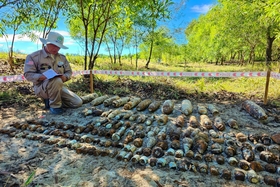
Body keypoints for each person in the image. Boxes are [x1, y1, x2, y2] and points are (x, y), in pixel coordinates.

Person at [24, 31, 83, 114]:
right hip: (41, 88)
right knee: (56, 81)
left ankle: (52, 100)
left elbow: (69, 72)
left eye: (59, 46)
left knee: (77, 102)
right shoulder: (33, 57)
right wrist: (43, 76)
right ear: (47, 43)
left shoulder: (62, 58)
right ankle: (55, 107)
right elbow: (28, 74)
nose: (56, 48)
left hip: (58, 87)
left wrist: (65, 77)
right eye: (54, 45)